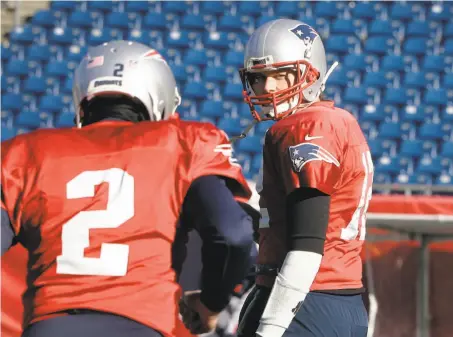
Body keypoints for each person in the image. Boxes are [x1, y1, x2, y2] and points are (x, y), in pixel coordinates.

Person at [1, 40, 255, 337]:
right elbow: (232, 233)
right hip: (140, 324)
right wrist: (211, 304)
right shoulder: (183, 143)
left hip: (51, 326)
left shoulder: (25, 152)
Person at [236, 19, 372, 337]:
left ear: (309, 74)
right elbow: (299, 226)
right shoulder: (330, 121)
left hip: (304, 299)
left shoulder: (308, 125)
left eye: (279, 76)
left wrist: (270, 326)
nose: (267, 88)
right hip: (340, 299)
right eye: (258, 78)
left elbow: (308, 246)